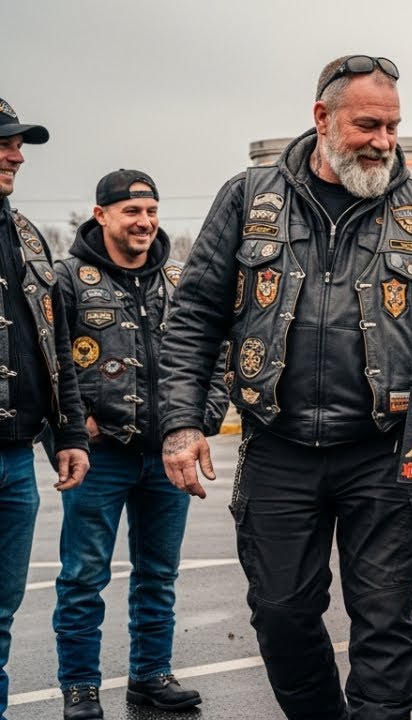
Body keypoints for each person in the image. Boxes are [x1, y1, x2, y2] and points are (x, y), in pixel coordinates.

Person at [158, 56, 412, 719]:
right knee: (280, 615)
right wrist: (181, 420)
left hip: (385, 449)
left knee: (386, 620)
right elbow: (193, 315)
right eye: (368, 124)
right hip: (277, 447)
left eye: (393, 125)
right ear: (322, 118)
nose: (384, 140)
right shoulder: (247, 199)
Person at [52, 170, 229, 719]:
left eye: (151, 211)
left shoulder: (181, 279)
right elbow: (49, 358)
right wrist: (73, 423)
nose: (145, 222)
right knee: (84, 576)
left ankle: (151, 676)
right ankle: (79, 686)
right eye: (131, 212)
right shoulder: (67, 280)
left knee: (159, 575)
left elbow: (216, 355)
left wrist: (201, 420)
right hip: (98, 458)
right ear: (101, 214)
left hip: (166, 455)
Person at [0, 97, 90, 720]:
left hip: (13, 460)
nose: (16, 153)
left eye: (18, 142)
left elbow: (55, 340)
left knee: (1, 613)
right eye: (4, 142)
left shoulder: (27, 234)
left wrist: (69, 430)